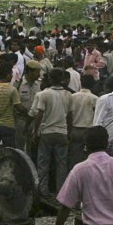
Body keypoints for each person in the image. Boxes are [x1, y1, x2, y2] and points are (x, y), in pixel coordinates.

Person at [31, 68, 72, 197]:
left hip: (47, 132)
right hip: (62, 132)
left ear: (49, 79)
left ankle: (43, 191)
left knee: (43, 163)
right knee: (61, 165)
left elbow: (39, 115)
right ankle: (61, 192)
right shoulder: (68, 95)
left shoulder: (43, 94)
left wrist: (35, 132)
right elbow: (70, 116)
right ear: (62, 80)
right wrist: (68, 132)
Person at [68, 74, 98, 168]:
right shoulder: (95, 98)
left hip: (74, 129)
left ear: (81, 83)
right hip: (88, 131)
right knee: (87, 157)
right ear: (93, 85)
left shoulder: (72, 96)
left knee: (74, 157)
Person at [14, 60, 41, 153]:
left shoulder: (39, 85)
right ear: (29, 72)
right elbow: (14, 102)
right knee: (19, 146)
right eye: (36, 72)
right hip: (21, 120)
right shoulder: (18, 84)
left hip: (34, 120)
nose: (39, 74)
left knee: (32, 147)